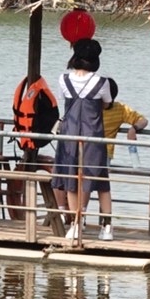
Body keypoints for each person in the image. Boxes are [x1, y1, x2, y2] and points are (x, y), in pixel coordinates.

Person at [51, 38, 114, 244]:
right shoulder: (102, 82)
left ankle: (76, 224)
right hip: (93, 135)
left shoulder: (63, 79)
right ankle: (107, 227)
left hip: (69, 134)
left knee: (71, 180)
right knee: (100, 181)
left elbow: (63, 98)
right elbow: (107, 103)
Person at [101, 78, 148, 161]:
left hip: (104, 153)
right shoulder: (88, 107)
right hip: (83, 149)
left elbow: (143, 120)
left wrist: (134, 129)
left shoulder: (120, 109)